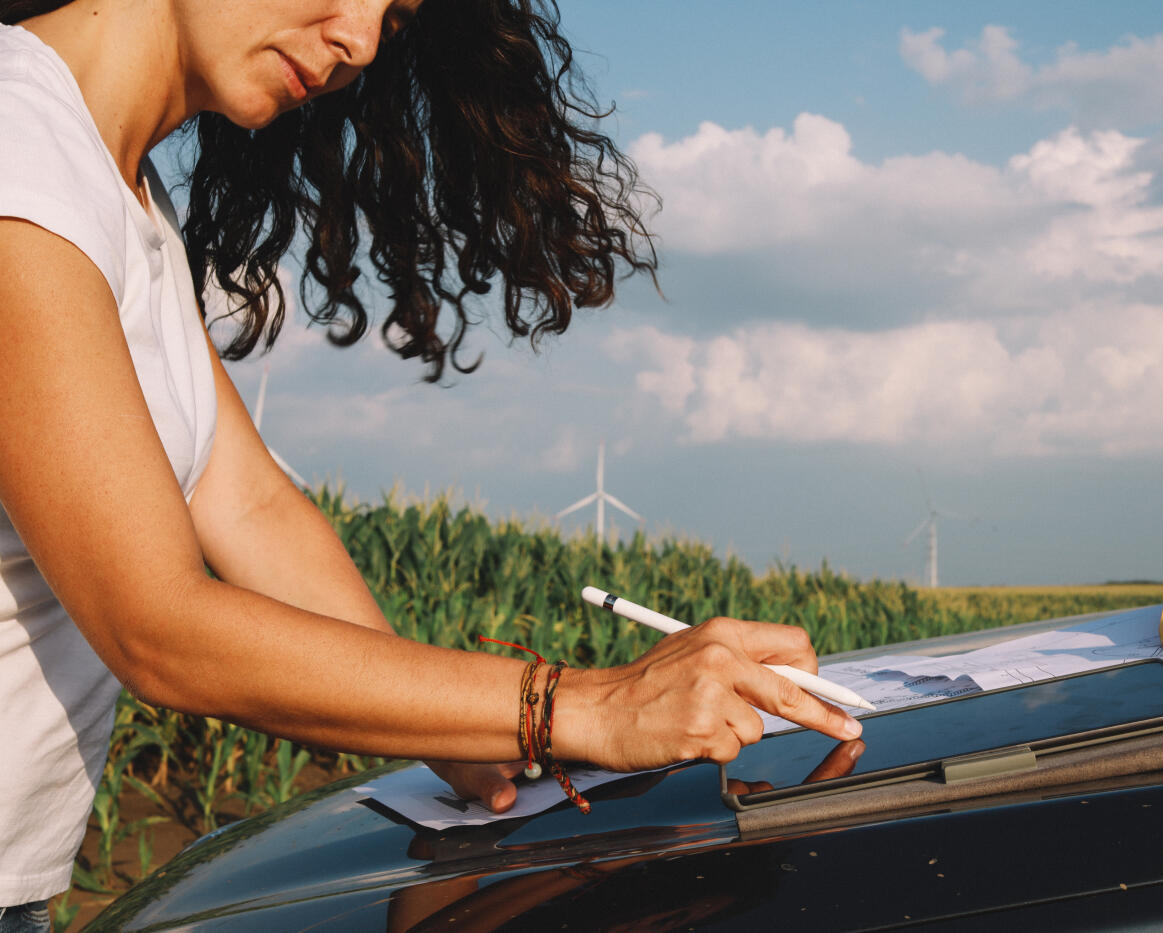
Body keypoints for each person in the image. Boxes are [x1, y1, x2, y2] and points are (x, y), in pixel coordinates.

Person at [0, 0, 862, 925]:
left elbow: (249, 507)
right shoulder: (21, 150)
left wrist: (470, 736)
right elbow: (158, 626)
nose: (360, 43)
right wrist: (584, 705)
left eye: (395, 19)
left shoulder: (115, 190)